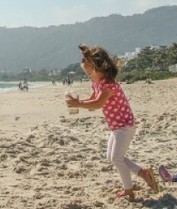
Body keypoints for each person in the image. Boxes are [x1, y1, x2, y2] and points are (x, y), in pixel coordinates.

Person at [64, 44, 160, 199]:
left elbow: (98, 104)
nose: (89, 76)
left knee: (117, 158)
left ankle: (129, 190)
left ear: (102, 69)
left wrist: (79, 104)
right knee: (112, 158)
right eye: (87, 74)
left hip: (125, 127)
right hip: (116, 127)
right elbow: (93, 99)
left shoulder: (109, 86)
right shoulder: (97, 83)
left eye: (90, 73)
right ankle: (143, 173)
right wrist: (79, 101)